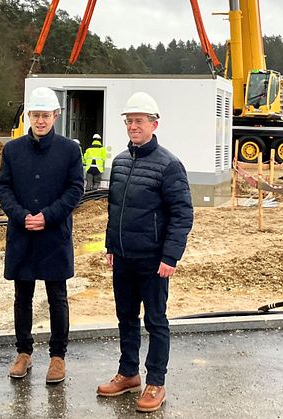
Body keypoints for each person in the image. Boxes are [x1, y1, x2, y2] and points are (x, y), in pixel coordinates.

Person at [96, 92, 193, 413]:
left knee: (155, 320)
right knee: (125, 317)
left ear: (154, 124)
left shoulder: (169, 165)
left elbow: (182, 214)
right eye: (129, 121)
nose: (133, 126)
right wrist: (111, 245)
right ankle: (128, 373)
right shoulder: (121, 162)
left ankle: (156, 382)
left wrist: (170, 256)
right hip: (123, 257)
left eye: (139, 121)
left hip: (153, 261)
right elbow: (115, 209)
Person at [0, 87, 84, 384]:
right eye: (35, 115)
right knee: (22, 296)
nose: (41, 121)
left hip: (53, 235)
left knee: (57, 296)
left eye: (46, 115)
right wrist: (21, 216)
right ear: (28, 116)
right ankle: (23, 353)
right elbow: (3, 187)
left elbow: (75, 189)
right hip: (22, 235)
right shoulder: (12, 150)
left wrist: (48, 216)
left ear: (56, 116)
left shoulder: (70, 150)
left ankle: (58, 357)